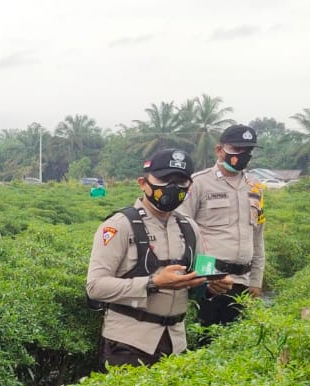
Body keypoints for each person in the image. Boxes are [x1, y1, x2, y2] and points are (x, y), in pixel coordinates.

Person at [86, 148, 231, 368]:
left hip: (176, 344)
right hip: (129, 344)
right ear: (143, 183)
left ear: (189, 186)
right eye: (165, 179)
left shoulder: (189, 227)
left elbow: (202, 270)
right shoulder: (118, 225)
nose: (172, 188)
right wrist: (153, 282)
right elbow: (95, 287)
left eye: (180, 181)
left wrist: (213, 284)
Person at [178, 124, 265, 326]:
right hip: (210, 281)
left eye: (248, 151)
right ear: (219, 150)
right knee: (205, 341)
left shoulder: (256, 187)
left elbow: (258, 237)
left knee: (236, 346)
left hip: (243, 281)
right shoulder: (199, 183)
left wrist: (256, 280)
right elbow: (182, 232)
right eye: (236, 150)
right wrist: (205, 277)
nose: (242, 155)